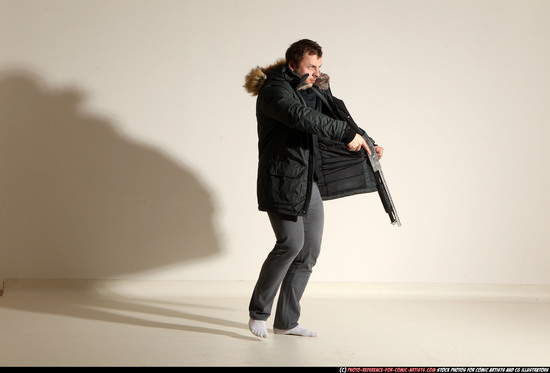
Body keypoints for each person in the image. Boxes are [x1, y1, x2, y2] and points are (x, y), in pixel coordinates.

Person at [243, 39, 383, 338]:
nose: (316, 73)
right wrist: (346, 134)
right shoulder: (275, 92)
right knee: (290, 245)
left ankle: (286, 322)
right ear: (293, 65)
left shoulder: (312, 89)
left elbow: (336, 115)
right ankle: (259, 313)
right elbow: (302, 117)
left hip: (309, 181)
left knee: (309, 251)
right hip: (281, 180)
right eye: (310, 67)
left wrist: (367, 142)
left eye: (319, 67)